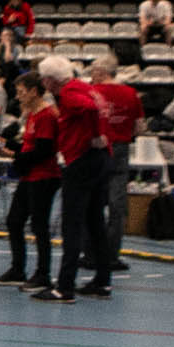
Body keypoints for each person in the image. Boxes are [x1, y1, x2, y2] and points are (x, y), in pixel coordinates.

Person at [37, 55, 113, 304]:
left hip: (81, 160)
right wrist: (99, 135)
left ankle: (64, 287)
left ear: (50, 80)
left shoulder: (70, 93)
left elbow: (89, 109)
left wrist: (94, 134)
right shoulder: (86, 87)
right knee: (95, 221)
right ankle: (102, 281)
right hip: (99, 158)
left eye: (44, 79)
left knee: (72, 224)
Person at [0, 75, 60, 291]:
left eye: (21, 92)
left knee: (39, 225)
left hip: (44, 176)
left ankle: (43, 273)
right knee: (14, 220)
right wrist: (5, 143)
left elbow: (43, 151)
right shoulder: (32, 115)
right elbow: (29, 146)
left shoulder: (46, 115)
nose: (18, 96)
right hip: (30, 175)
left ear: (34, 91)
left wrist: (13, 154)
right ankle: (17, 269)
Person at [86, 56, 143, 270]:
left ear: (100, 72)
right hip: (120, 148)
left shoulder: (91, 92)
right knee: (116, 206)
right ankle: (111, 256)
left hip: (96, 148)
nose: (91, 76)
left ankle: (90, 254)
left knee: (91, 202)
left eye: (93, 71)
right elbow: (139, 127)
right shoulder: (130, 93)